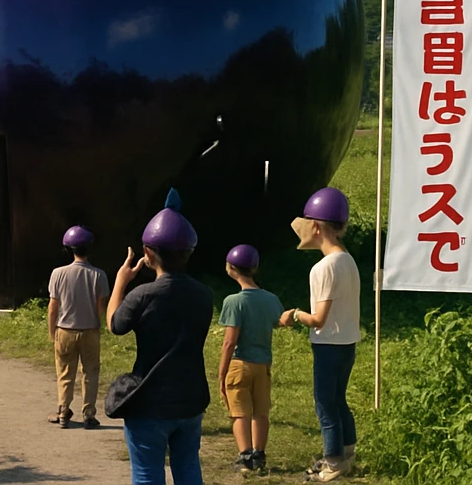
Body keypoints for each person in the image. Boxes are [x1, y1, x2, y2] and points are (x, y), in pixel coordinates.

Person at [108, 188, 214, 485]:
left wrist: (121, 281)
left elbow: (115, 325)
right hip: (191, 400)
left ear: (147, 253)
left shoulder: (142, 295)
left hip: (150, 402)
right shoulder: (204, 295)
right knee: (189, 469)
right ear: (189, 254)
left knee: (147, 475)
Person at [280, 187, 361, 483]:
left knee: (325, 404)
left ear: (315, 227)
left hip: (329, 345)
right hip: (348, 342)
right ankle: (347, 453)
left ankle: (333, 461)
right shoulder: (348, 260)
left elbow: (318, 318)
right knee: (339, 400)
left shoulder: (323, 268)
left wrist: (294, 314)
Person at [218, 243, 284, 475]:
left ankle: (245, 456)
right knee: (261, 412)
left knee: (240, 412)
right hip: (263, 364)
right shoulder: (271, 299)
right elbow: (279, 320)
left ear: (231, 268)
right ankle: (259, 454)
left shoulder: (233, 301)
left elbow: (229, 341)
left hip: (239, 364)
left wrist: (222, 372)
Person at [47, 224, 111, 428]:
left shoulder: (58, 273)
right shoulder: (99, 275)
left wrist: (52, 332)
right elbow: (101, 306)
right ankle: (89, 414)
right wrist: (100, 325)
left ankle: (64, 411)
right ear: (89, 249)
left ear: (68, 249)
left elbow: (52, 308)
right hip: (90, 330)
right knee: (90, 372)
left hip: (65, 329)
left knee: (65, 373)